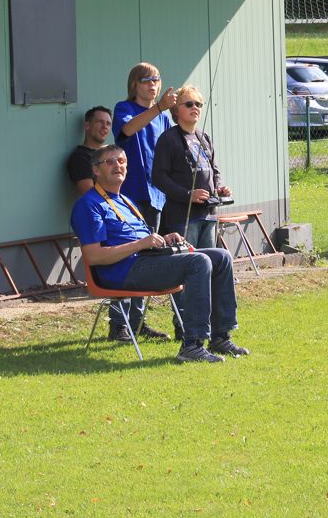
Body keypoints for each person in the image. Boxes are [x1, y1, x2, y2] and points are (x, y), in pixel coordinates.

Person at [71, 145, 247, 363]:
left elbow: (143, 239)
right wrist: (140, 244)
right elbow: (94, 256)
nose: (118, 165)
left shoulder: (125, 200)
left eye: (122, 161)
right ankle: (192, 345)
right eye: (110, 162)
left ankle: (220, 337)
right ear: (96, 170)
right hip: (122, 271)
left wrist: (164, 238)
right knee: (199, 261)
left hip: (147, 260)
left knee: (221, 256)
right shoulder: (88, 205)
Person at [109, 62, 177, 341]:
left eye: (156, 80)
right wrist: (159, 108)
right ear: (134, 85)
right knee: (126, 256)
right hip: (129, 196)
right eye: (147, 80)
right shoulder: (124, 108)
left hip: (156, 196)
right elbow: (127, 130)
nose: (152, 85)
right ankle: (118, 324)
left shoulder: (164, 117)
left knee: (147, 259)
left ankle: (137, 323)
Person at [152, 85, 230, 249]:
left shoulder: (204, 137)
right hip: (183, 217)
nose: (195, 107)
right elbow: (158, 178)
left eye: (198, 104)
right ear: (176, 110)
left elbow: (214, 171)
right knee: (190, 260)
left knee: (210, 259)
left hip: (209, 214)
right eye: (189, 104)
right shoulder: (168, 138)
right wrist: (188, 195)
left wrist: (220, 188)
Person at [65, 106, 112, 194]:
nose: (105, 126)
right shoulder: (80, 157)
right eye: (100, 122)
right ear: (87, 125)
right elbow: (90, 195)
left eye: (108, 124)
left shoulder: (111, 155)